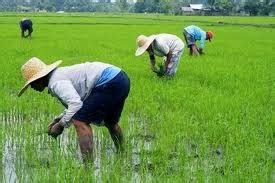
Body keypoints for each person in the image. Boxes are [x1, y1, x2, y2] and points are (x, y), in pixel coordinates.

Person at [18, 57, 130, 163]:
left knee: (80, 121)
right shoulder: (58, 75)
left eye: (32, 83)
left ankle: (88, 169)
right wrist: (59, 119)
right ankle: (123, 154)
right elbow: (77, 104)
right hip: (120, 78)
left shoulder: (56, 83)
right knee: (111, 122)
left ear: (39, 78)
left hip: (108, 82)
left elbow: (76, 105)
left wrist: (60, 125)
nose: (32, 87)